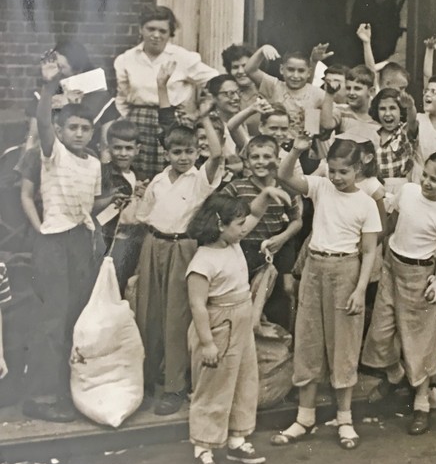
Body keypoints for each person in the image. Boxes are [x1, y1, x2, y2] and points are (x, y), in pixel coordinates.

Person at [272, 136, 381, 451]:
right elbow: (284, 175)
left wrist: (360, 290)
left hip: (346, 271)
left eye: (343, 171)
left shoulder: (366, 204)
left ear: (358, 168)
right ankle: (304, 417)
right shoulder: (320, 187)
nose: (336, 177)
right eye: (332, 170)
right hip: (314, 268)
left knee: (343, 344)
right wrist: (295, 148)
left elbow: (370, 252)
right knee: (307, 340)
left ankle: (345, 418)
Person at [22, 57, 103, 423]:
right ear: (60, 129)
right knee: (52, 320)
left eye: (86, 128)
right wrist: (49, 86)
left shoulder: (94, 164)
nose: (80, 133)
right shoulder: (52, 155)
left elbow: (89, 203)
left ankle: (66, 391)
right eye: (73, 127)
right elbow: (42, 122)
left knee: (74, 317)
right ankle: (39, 396)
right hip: (53, 242)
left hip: (80, 242)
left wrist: (116, 200)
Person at [361, 152, 436, 436]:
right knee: (380, 333)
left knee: (418, 341)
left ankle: (421, 402)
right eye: (426, 175)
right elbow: (390, 224)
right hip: (392, 268)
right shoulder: (407, 192)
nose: (427, 183)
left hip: (420, 275)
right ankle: (395, 374)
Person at [134, 102, 224, 416]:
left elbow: (217, 155)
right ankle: (147, 381)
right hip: (154, 245)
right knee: (149, 314)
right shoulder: (158, 182)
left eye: (189, 151)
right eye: (176, 152)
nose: (183, 157)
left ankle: (174, 386)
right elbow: (143, 217)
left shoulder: (200, 179)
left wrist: (204, 121)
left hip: (182, 248)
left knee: (176, 318)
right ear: (166, 153)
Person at [185, 191, 277, 464]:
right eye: (238, 224)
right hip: (217, 324)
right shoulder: (203, 261)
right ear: (220, 225)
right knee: (214, 385)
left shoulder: (231, 243)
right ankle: (204, 446)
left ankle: (237, 438)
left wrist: (266, 195)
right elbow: (198, 306)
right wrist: (208, 343)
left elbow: (254, 215)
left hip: (241, 318)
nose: (244, 228)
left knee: (243, 380)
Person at [115, 6, 217, 180]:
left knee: (174, 174)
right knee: (138, 176)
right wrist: (128, 122)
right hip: (138, 123)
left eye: (163, 31)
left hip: (172, 123)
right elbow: (123, 98)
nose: (156, 35)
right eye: (151, 29)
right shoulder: (126, 59)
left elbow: (216, 81)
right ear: (141, 29)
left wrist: (197, 113)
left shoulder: (182, 57)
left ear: (170, 34)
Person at [222, 135, 302, 330]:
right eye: (255, 157)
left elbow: (297, 220)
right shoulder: (236, 187)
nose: (261, 162)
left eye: (267, 156)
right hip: (242, 250)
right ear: (247, 161)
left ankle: (275, 349)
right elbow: (222, 215)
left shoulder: (285, 188)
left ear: (277, 159)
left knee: (277, 301)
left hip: (272, 250)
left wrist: (282, 238)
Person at [97, 118, 147, 294]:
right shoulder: (104, 174)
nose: (123, 153)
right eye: (117, 148)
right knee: (111, 285)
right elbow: (93, 207)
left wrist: (144, 196)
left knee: (131, 285)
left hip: (135, 240)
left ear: (137, 150)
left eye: (128, 148)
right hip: (111, 240)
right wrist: (112, 200)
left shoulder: (140, 175)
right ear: (109, 148)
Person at [244, 45, 325, 140]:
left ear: (309, 72)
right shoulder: (273, 86)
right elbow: (250, 70)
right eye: (291, 70)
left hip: (302, 148)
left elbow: (315, 129)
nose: (295, 75)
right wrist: (262, 50)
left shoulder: (317, 94)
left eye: (301, 71)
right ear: (282, 69)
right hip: (274, 144)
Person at [369, 88, 417, 207]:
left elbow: (412, 122)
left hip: (400, 187)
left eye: (392, 108)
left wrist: (410, 107)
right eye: (382, 109)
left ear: (401, 111)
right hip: (377, 187)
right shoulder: (373, 133)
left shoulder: (404, 131)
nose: (387, 113)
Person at [321, 65, 380, 147]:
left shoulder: (378, 117)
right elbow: (327, 124)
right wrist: (329, 94)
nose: (351, 93)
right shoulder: (342, 111)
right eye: (348, 88)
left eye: (357, 88)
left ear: (371, 91)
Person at [222, 44, 261, 136]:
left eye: (245, 66)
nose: (240, 71)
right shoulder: (226, 96)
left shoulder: (266, 93)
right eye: (235, 67)